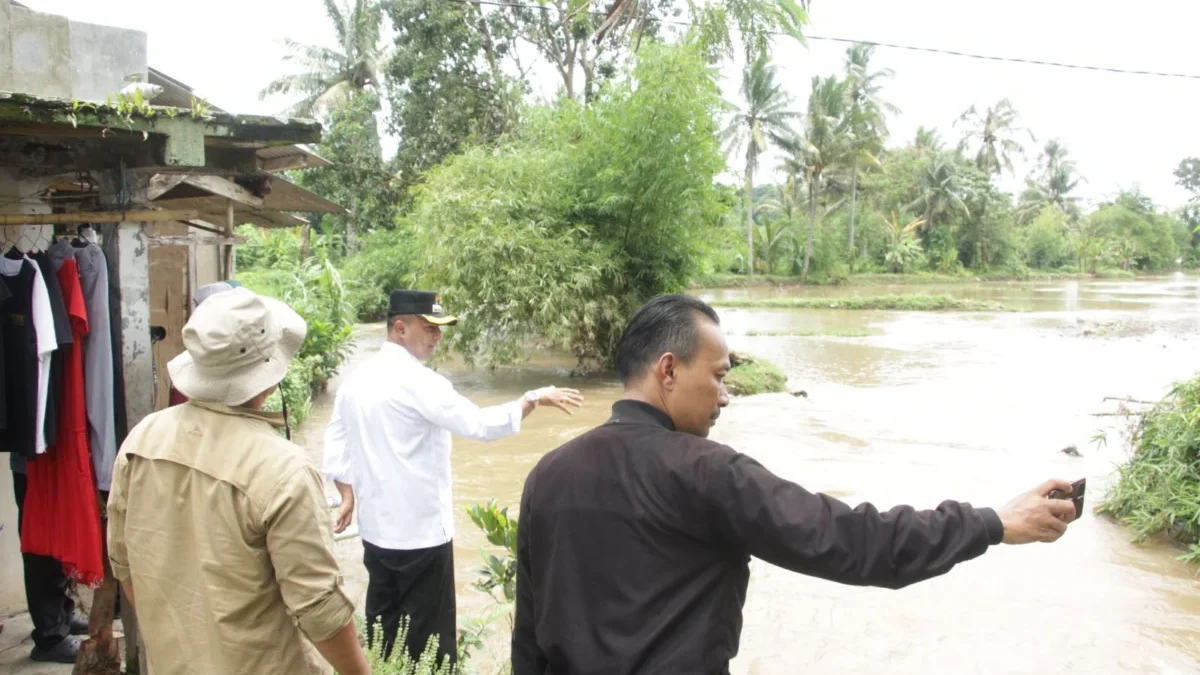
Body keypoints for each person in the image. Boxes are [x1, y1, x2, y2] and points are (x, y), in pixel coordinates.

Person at [511, 294, 1080, 675]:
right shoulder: (709, 472)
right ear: (667, 370)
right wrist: (991, 523)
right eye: (718, 377)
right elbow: (853, 542)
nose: (725, 395)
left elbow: (530, 639)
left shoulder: (547, 476)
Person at [106, 288, 370, 675]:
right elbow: (319, 608)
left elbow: (124, 565)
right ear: (269, 378)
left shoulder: (143, 439)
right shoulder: (284, 469)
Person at [323, 289, 584, 667]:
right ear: (400, 328)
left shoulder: (357, 380)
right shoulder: (419, 382)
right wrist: (532, 398)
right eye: (429, 328)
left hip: (376, 531)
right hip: (422, 537)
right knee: (430, 642)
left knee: (385, 629)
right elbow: (479, 425)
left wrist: (345, 493)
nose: (437, 336)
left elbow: (336, 436)